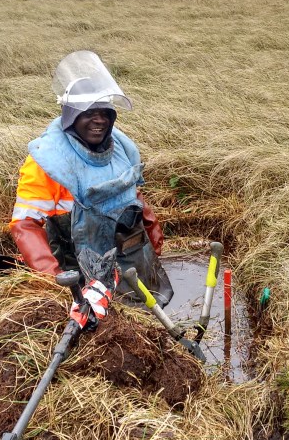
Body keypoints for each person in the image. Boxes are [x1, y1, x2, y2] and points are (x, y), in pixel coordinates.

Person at [9, 50, 173, 306]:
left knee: (144, 315)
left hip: (127, 263)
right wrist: (57, 279)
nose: (100, 120)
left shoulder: (120, 149)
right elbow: (26, 225)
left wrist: (152, 248)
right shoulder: (48, 160)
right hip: (77, 271)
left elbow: (135, 201)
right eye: (89, 112)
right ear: (71, 116)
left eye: (105, 112)